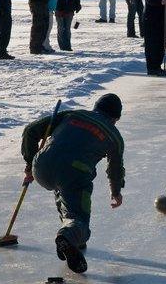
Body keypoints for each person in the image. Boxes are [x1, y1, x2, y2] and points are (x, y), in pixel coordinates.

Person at [21, 93, 125, 274]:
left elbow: (30, 131)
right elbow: (114, 169)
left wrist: (30, 163)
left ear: (96, 108)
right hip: (75, 172)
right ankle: (70, 234)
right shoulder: (114, 135)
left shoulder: (73, 114)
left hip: (42, 166)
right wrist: (115, 191)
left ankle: (73, 236)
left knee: (62, 188)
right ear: (115, 118)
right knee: (80, 218)